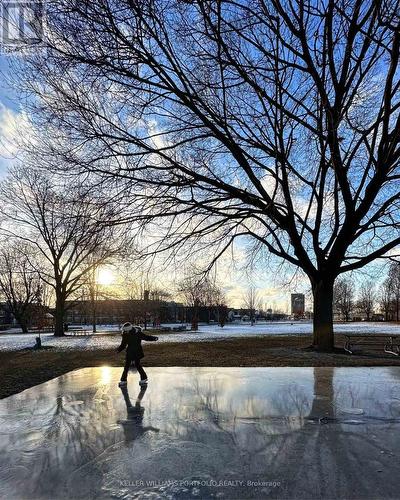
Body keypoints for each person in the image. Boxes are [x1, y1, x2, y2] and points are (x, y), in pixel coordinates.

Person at [117, 322, 158, 387]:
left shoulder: (137, 333)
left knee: (137, 365)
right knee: (126, 366)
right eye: (124, 330)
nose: (124, 331)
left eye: (125, 330)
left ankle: (144, 378)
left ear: (129, 329)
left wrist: (153, 338)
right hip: (130, 352)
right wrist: (118, 350)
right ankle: (123, 380)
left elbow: (145, 337)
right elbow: (123, 344)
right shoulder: (125, 334)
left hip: (137, 351)